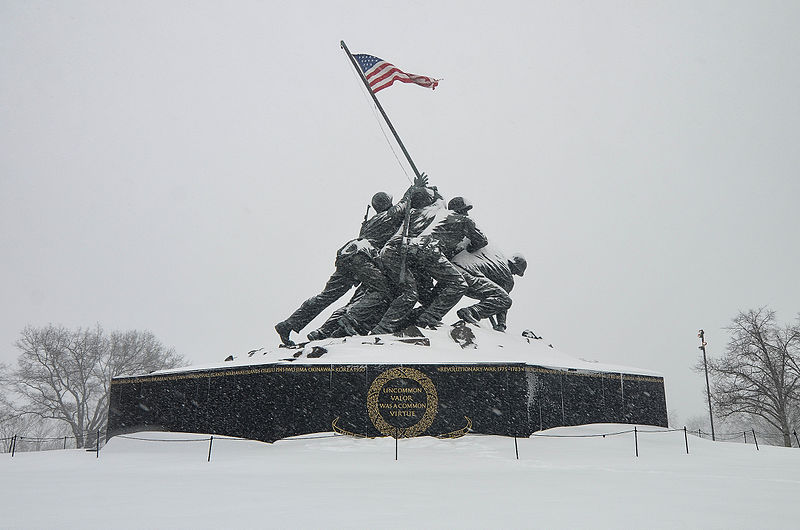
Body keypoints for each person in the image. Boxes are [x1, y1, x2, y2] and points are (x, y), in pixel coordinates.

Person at [275, 179, 426, 345]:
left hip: (347, 254)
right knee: (386, 291)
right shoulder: (388, 216)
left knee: (326, 296)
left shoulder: (370, 222)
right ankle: (349, 321)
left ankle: (289, 324)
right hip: (362, 257)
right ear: (387, 204)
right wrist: (415, 187)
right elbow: (405, 203)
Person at [370, 192, 489, 333]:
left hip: (414, 250)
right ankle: (426, 319)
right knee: (458, 284)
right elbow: (481, 241)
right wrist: (467, 246)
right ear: (462, 210)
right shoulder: (464, 220)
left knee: (424, 296)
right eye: (466, 210)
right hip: (430, 250)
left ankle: (407, 320)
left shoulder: (436, 215)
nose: (468, 214)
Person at [452, 245, 527, 331]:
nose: (514, 274)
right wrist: (501, 324)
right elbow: (502, 302)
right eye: (516, 272)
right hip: (468, 277)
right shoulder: (507, 277)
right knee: (506, 301)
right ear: (515, 267)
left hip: (455, 271)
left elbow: (492, 297)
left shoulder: (496, 260)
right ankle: (471, 312)